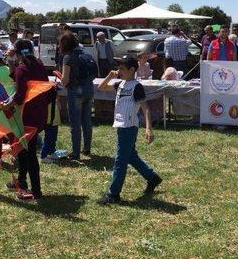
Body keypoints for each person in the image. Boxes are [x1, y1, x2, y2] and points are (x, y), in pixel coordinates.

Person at [97, 55, 162, 204]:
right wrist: (109, 76)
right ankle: (152, 178)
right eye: (118, 68)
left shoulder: (136, 86)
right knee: (130, 156)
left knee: (120, 160)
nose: (119, 71)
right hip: (121, 126)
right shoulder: (120, 84)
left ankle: (113, 194)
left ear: (132, 70)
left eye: (122, 69)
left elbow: (145, 108)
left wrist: (148, 128)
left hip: (129, 127)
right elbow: (101, 87)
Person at [4, 39, 50, 200]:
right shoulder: (38, 65)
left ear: (17, 54)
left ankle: (36, 191)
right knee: (23, 149)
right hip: (39, 114)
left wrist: (7, 103)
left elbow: (20, 95)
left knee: (29, 153)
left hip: (27, 117)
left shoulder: (23, 68)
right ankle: (22, 181)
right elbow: (18, 77)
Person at [61, 33, 95, 160]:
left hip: (76, 91)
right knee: (87, 120)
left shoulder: (68, 57)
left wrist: (61, 81)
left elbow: (64, 80)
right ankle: (86, 148)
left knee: (75, 122)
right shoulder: (86, 54)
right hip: (89, 89)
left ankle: (75, 152)